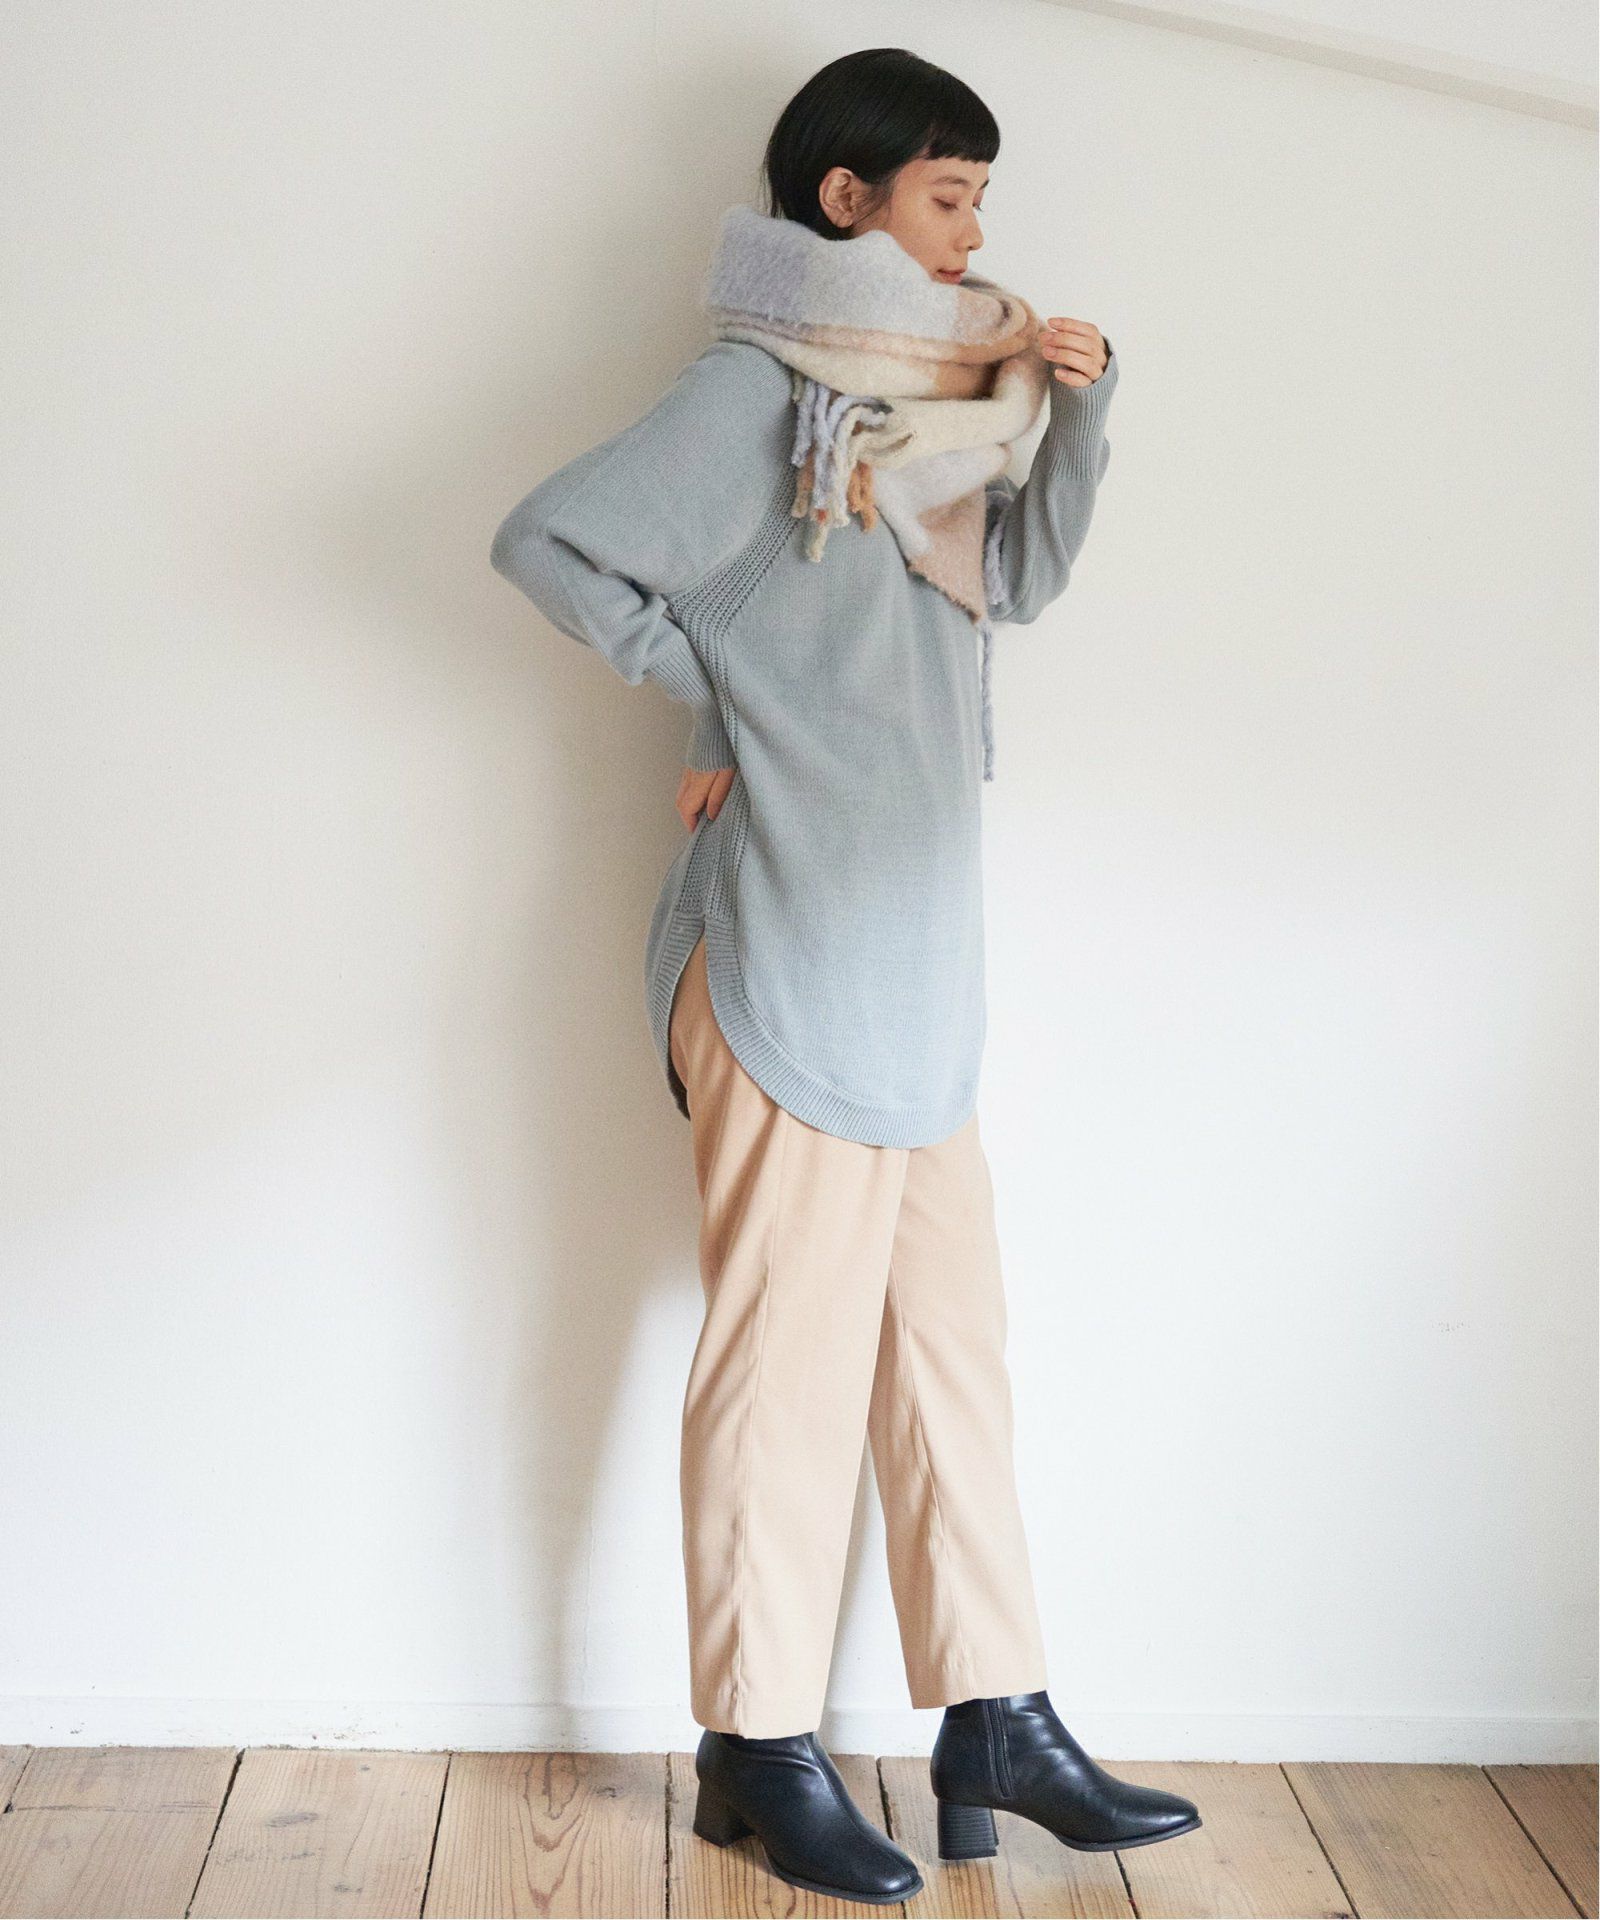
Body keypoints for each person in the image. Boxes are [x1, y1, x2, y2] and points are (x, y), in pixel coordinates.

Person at [490, 45, 1201, 1906]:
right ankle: (753, 1744)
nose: (976, 227)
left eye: (982, 195)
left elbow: (1017, 586)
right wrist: (722, 687)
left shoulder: (951, 408)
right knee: (782, 1364)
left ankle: (996, 1717)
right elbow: (546, 541)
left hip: (919, 954)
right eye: (949, 192)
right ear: (845, 199)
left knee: (952, 1356)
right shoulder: (760, 398)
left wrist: (1078, 417)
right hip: (789, 938)